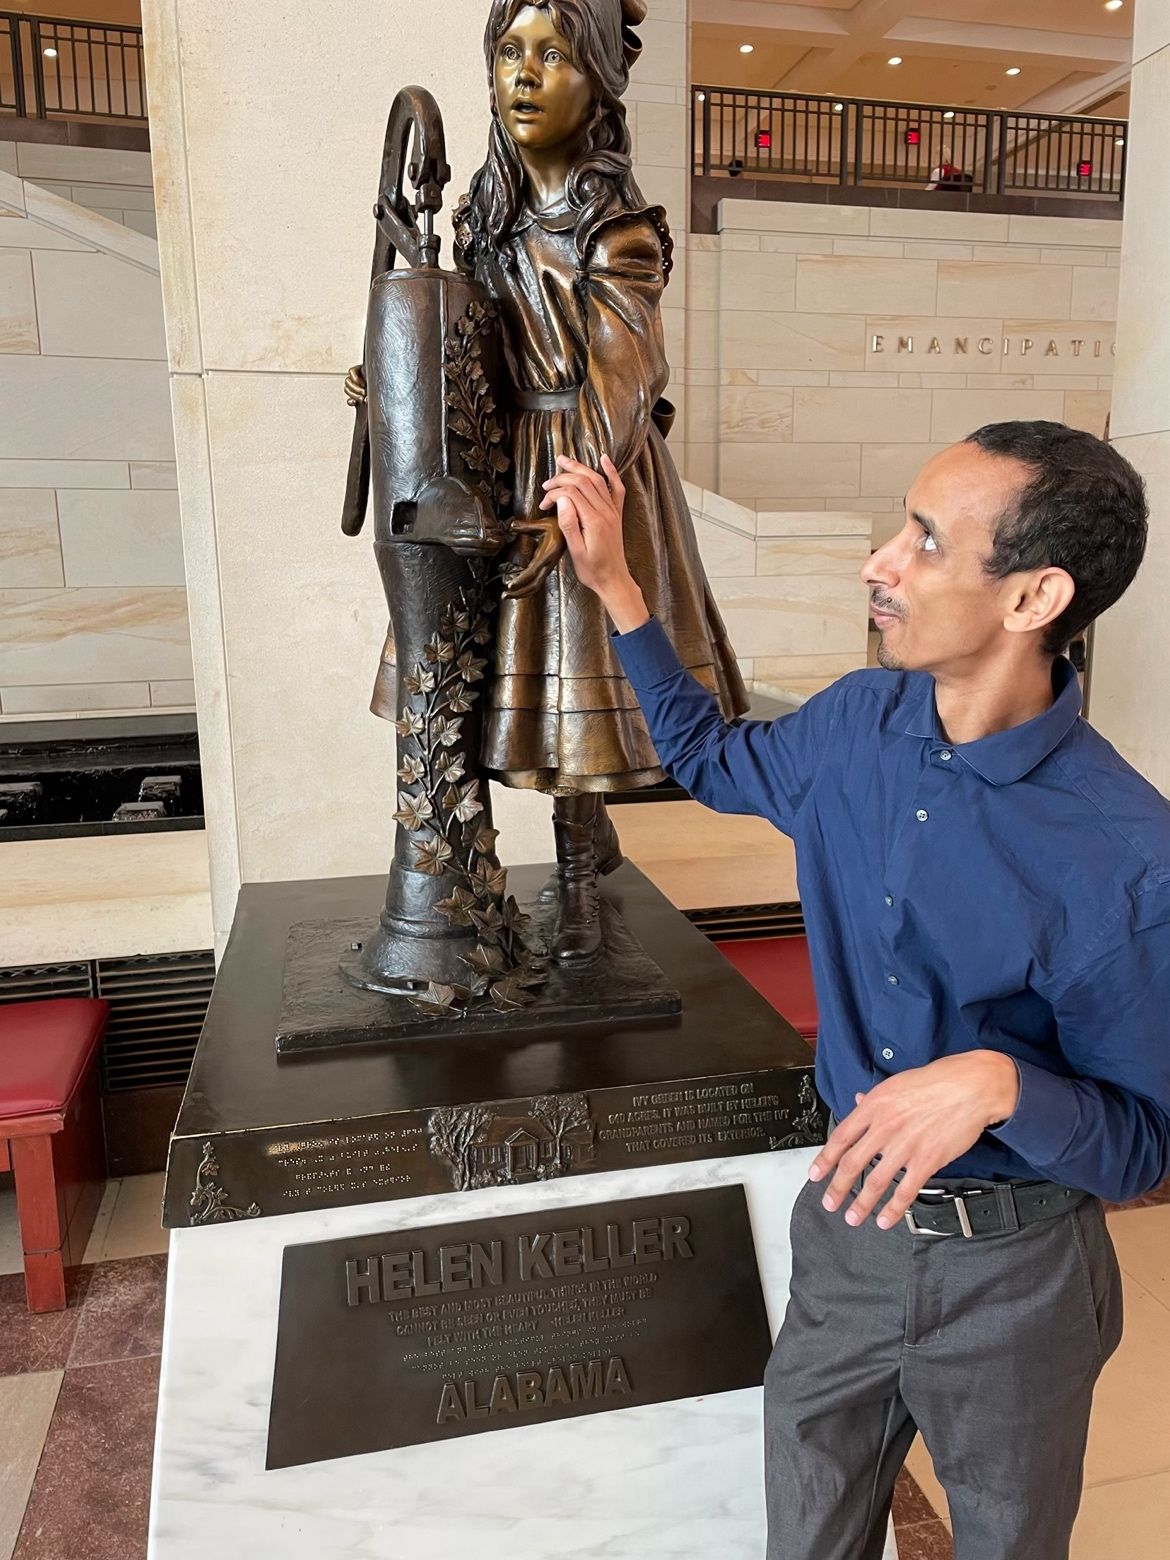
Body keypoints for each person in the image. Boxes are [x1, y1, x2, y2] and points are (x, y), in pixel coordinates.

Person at [542, 421, 1170, 1560]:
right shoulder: (854, 727)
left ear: (1033, 599)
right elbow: (709, 759)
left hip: (1017, 1276)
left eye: (926, 542)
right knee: (808, 1533)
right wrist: (620, 586)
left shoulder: (1127, 854)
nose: (881, 560)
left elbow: (1145, 1149)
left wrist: (1001, 1086)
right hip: (846, 1232)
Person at [348, 0, 746, 962]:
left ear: (599, 80)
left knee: (575, 672)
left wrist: (568, 500)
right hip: (485, 455)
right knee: (474, 671)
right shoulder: (481, 215)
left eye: (555, 55)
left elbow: (626, 369)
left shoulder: (619, 228)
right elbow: (471, 337)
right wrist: (398, 372)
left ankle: (579, 873)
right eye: (509, 52)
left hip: (579, 463)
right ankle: (474, 873)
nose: (524, 74)